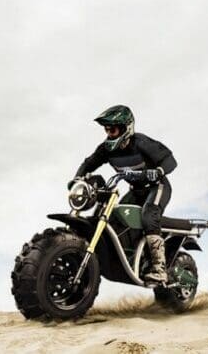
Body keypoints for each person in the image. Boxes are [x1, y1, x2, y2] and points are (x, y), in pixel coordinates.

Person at [69, 105, 177, 284]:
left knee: (149, 216)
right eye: (107, 129)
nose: (109, 133)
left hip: (157, 187)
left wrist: (158, 171)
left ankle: (159, 268)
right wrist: (77, 179)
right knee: (114, 217)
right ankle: (132, 256)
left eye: (113, 129)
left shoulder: (141, 143)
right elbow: (88, 164)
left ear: (126, 127)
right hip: (136, 191)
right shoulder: (106, 149)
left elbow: (170, 160)